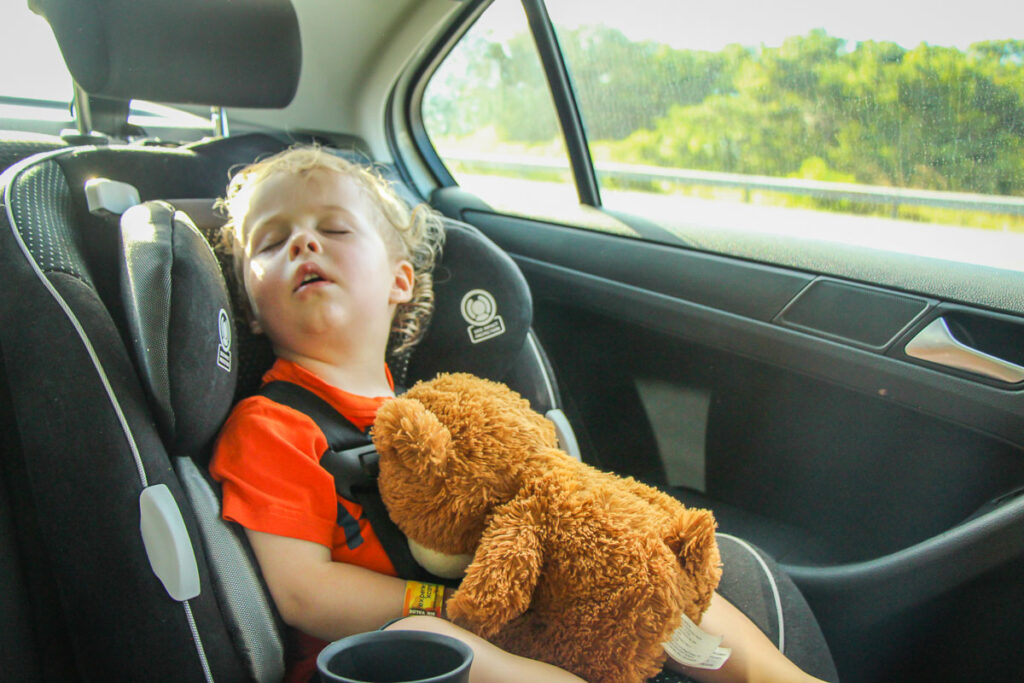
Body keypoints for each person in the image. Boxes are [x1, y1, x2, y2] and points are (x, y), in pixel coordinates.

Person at [208, 145, 829, 683]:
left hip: (508, 607)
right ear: (254, 313)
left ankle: (770, 673)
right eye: (271, 241)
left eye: (334, 229)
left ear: (400, 281)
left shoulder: (448, 409)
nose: (303, 241)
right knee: (456, 647)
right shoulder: (271, 425)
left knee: (642, 563)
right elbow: (302, 593)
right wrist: (446, 607)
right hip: (392, 655)